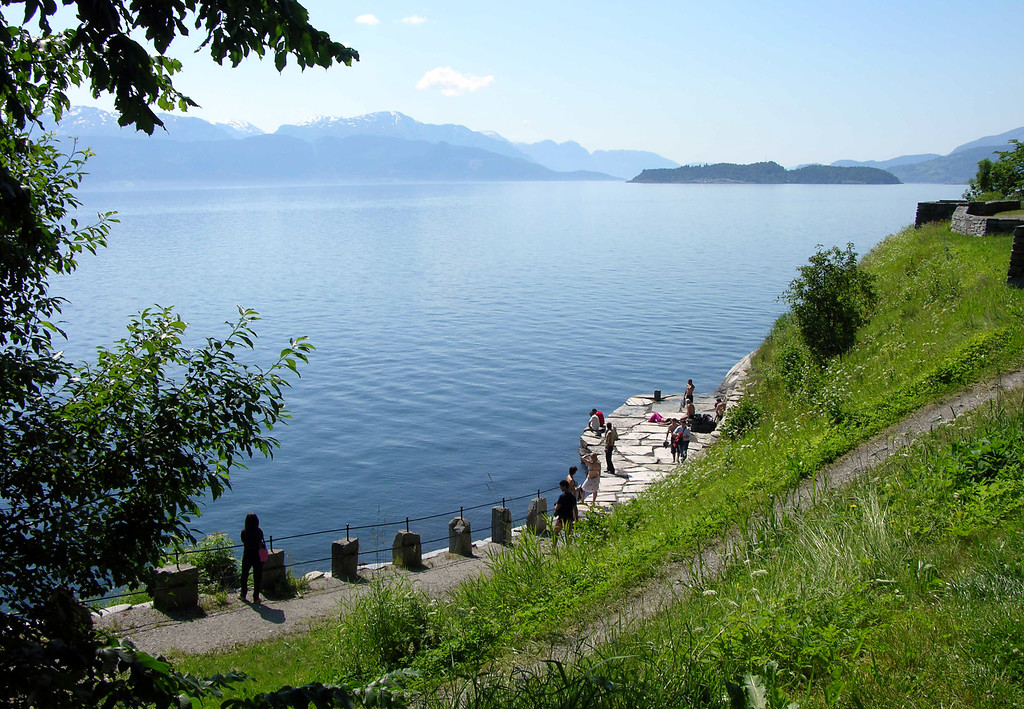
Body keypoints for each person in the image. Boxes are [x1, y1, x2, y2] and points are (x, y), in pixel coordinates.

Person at [239, 512, 267, 604]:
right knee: (257, 576)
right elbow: (261, 539)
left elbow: (243, 541)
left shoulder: (244, 532)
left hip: (247, 555)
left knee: (244, 575)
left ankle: (243, 595)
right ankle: (256, 597)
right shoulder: (259, 531)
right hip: (258, 556)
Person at [552, 479, 579, 549]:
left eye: (561, 486)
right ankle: (569, 548)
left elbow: (557, 507)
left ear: (564, 487)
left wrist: (555, 506)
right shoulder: (572, 496)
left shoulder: (562, 496)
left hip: (561, 518)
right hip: (569, 518)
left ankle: (553, 548)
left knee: (555, 533)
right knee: (568, 535)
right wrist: (576, 518)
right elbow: (575, 508)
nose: (560, 488)